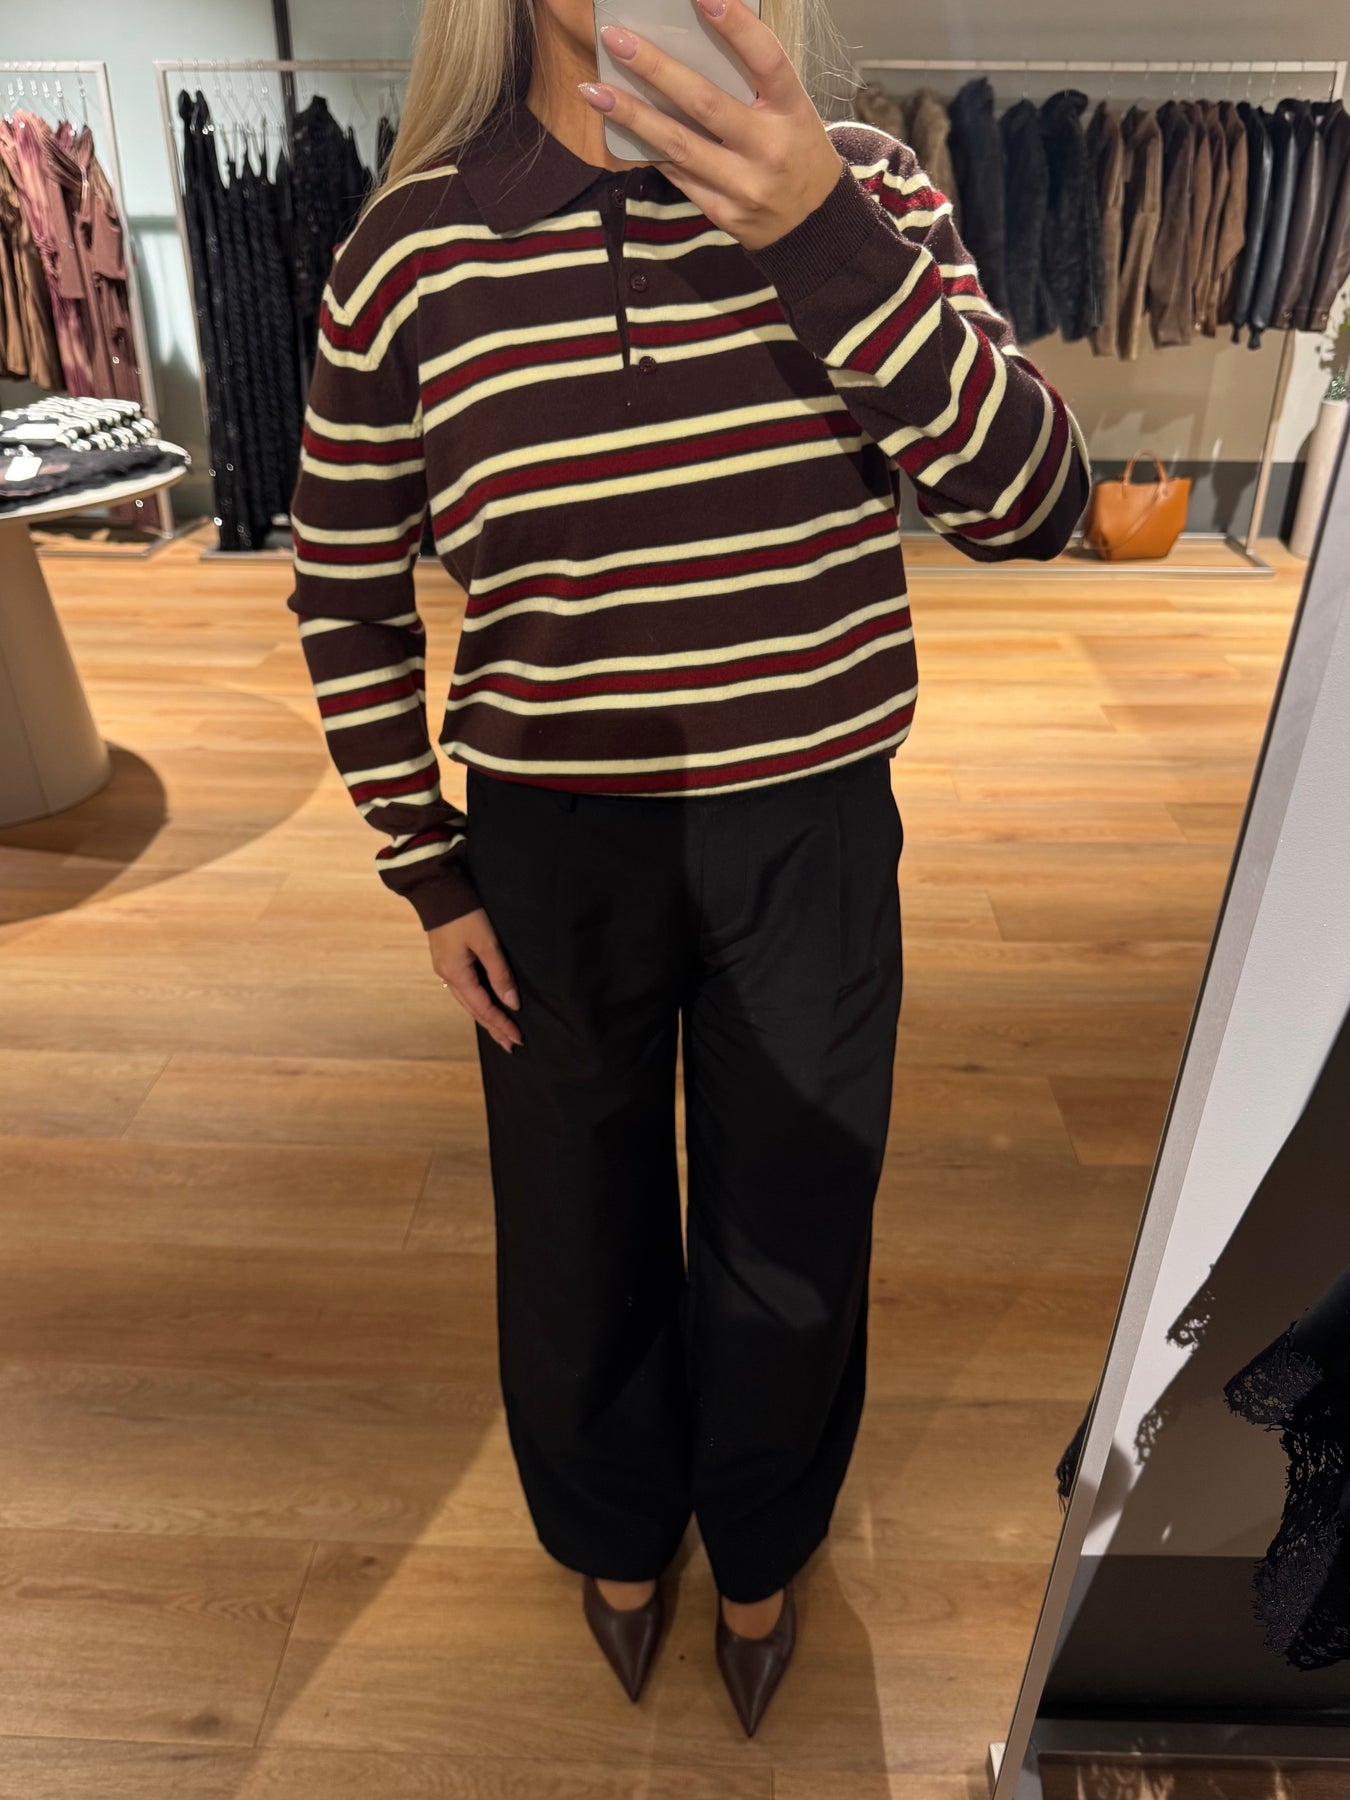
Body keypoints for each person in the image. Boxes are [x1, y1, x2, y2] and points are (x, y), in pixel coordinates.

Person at [286, 0, 1091, 1740]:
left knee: (792, 1221)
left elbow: (1035, 505)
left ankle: (762, 1544)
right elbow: (343, 585)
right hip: (549, 833)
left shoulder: (864, 189)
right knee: (569, 1225)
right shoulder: (412, 243)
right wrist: (425, 866)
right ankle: (611, 1533)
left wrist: (821, 235)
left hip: (808, 816)